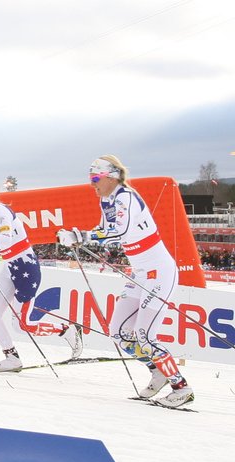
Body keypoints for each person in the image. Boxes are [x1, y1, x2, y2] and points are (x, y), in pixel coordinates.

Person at [57, 155, 194, 408]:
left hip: (159, 272)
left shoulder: (125, 197)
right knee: (118, 332)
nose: (92, 184)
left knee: (145, 335)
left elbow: (120, 231)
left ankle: (181, 386)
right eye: (90, 179)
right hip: (140, 272)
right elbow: (105, 232)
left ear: (111, 177)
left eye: (96, 178)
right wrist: (78, 237)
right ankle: (158, 372)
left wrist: (80, 235)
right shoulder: (106, 199)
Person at [0, 180, 83, 371]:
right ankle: (12, 358)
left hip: (26, 268)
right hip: (10, 266)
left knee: (23, 325)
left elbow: (5, 240)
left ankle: (66, 330)